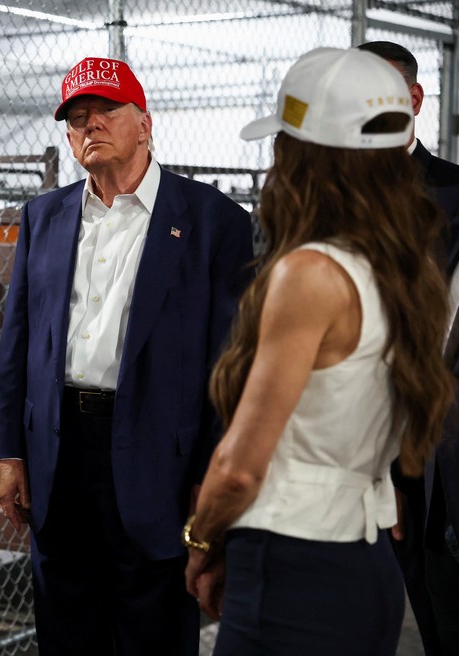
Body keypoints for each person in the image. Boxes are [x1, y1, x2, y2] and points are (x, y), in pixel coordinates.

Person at [183, 47, 454, 655]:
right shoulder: (402, 270)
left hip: (292, 570)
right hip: (362, 561)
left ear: (303, 155)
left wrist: (201, 541)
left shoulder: (311, 272)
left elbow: (241, 465)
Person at [0, 55, 254, 655]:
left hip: (161, 457)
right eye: (78, 116)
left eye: (108, 110)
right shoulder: (44, 217)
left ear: (146, 123)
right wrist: (8, 449)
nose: (91, 125)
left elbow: (230, 368)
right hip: (60, 456)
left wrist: (210, 478)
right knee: (66, 630)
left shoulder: (214, 222)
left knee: (154, 631)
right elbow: (18, 344)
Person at [358, 40, 459, 656]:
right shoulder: (322, 197)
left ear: (414, 99)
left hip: (433, 448)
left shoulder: (454, 194)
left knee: (441, 606)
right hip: (349, 442)